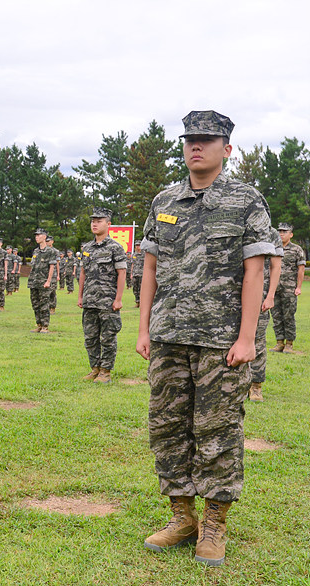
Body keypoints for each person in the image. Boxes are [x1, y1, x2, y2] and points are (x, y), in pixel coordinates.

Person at [136, 110, 277, 567]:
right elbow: (151, 269)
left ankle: (214, 525)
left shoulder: (246, 199)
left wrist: (248, 337)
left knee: (217, 431)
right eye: (190, 139)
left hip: (222, 340)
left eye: (207, 139)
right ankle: (182, 517)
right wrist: (143, 330)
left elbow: (255, 270)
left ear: (226, 148)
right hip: (169, 336)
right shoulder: (165, 199)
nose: (196, 146)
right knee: (168, 428)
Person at [77, 207, 127, 383]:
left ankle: (106, 371)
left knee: (107, 337)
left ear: (108, 224)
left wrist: (118, 299)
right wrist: (80, 296)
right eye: (93, 221)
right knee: (90, 337)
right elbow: (83, 273)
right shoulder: (87, 248)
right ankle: (95, 368)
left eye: (99, 221)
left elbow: (121, 273)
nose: (94, 224)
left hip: (107, 301)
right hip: (90, 300)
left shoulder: (116, 248)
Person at [249, 230, 282, 401]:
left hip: (259, 296)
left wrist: (270, 296)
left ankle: (256, 386)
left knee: (258, 340)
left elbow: (275, 266)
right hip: (230, 296)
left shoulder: (270, 233)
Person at [270, 222, 305, 353]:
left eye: (284, 232)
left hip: (290, 289)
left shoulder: (297, 249)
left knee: (288, 315)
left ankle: (289, 344)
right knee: (276, 315)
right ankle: (279, 343)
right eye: (279, 231)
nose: (281, 234)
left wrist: (299, 287)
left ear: (291, 234)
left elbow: (301, 269)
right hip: (275, 288)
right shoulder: (273, 248)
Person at [28, 229, 56, 333]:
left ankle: (45, 326)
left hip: (44, 282)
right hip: (34, 281)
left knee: (44, 304)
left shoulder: (50, 251)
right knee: (35, 304)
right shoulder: (36, 251)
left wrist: (48, 281)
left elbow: (52, 267)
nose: (36, 237)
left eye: (39, 235)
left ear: (44, 237)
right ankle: (39, 325)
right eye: (36, 235)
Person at [47, 236, 60, 313]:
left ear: (52, 241)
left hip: (54, 274)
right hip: (45, 274)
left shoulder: (55, 251)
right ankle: (47, 307)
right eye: (47, 241)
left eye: (49, 241)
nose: (48, 242)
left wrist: (58, 274)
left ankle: (52, 307)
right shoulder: (43, 250)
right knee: (45, 292)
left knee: (52, 291)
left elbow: (57, 264)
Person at [131, 243, 144, 307]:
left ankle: (142, 302)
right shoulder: (134, 254)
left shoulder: (144, 254)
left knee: (142, 289)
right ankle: (137, 302)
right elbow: (132, 264)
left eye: (139, 245)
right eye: (136, 245)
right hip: (135, 273)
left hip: (142, 274)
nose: (137, 247)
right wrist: (131, 273)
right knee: (135, 289)